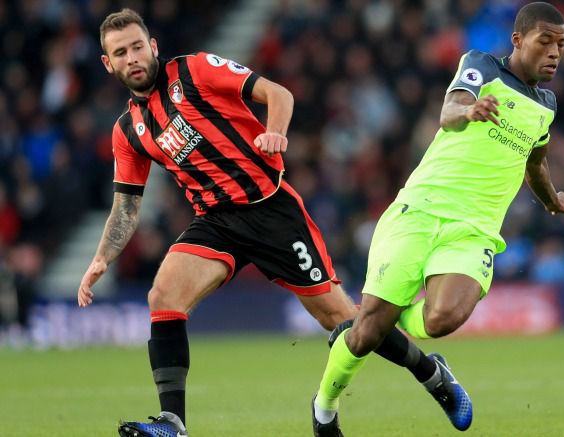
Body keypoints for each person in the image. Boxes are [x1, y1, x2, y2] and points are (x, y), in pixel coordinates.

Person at [80, 9, 455, 437]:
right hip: (216, 221)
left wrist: (275, 131)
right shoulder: (128, 130)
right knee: (163, 295)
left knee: (341, 318)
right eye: (120, 52)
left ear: (153, 46)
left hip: (270, 209)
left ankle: (430, 372)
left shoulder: (194, 70)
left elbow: (278, 93)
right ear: (107, 63)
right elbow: (126, 207)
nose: (132, 58)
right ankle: (173, 423)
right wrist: (101, 258)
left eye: (137, 47)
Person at [311, 2, 564, 435]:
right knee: (363, 337)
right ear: (518, 40)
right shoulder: (482, 66)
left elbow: (536, 162)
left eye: (561, 45)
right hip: (419, 210)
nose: (554, 52)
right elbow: (449, 112)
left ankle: (383, 319)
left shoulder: (546, 105)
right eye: (545, 41)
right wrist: (469, 112)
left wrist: (552, 201)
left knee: (441, 319)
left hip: (474, 230)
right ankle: (325, 407)